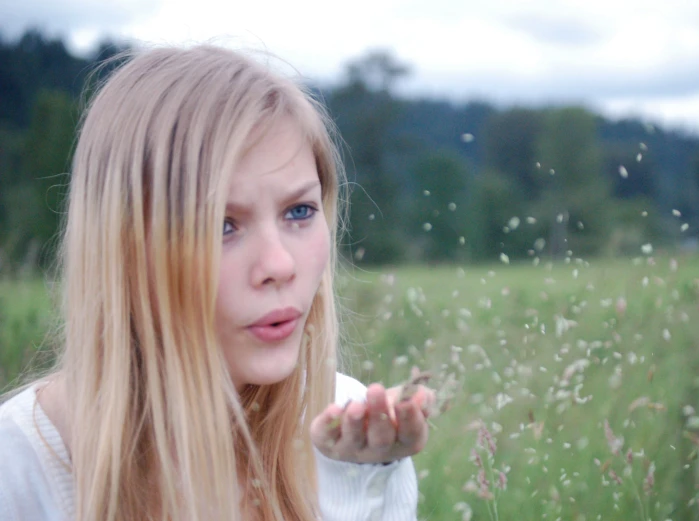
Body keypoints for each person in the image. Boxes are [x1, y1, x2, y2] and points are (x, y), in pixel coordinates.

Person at [0, 44, 434, 521]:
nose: (279, 264)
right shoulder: (20, 467)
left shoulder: (352, 428)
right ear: (125, 248)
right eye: (220, 226)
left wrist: (361, 482)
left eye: (299, 211)